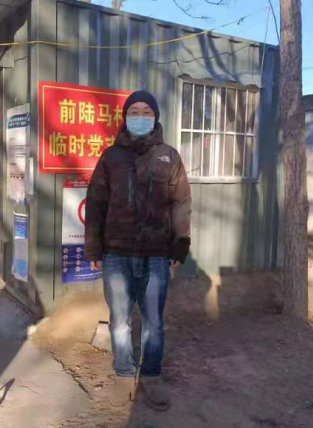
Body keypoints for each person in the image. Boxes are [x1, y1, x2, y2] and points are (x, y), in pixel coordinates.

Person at [85, 90, 192, 411]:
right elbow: (96, 204)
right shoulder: (111, 157)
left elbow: (181, 204)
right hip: (117, 254)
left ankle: (151, 377)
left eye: (147, 111)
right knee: (120, 321)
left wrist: (179, 246)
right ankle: (123, 375)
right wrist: (94, 248)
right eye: (135, 111)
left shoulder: (169, 157)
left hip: (156, 255)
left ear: (155, 117)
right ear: (125, 117)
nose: (141, 117)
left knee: (153, 322)